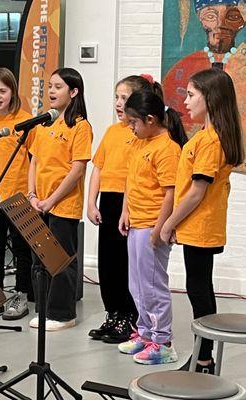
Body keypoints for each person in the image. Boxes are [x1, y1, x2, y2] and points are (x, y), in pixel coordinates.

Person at [161, 68, 244, 373]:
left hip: (200, 226)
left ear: (209, 99)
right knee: (201, 290)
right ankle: (203, 357)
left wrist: (168, 223)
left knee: (199, 293)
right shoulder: (207, 137)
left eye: (192, 95)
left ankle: (204, 359)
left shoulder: (210, 142)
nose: (186, 101)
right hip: (199, 227)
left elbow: (196, 193)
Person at [87, 75, 162, 344]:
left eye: (124, 98)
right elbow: (98, 167)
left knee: (123, 264)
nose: (118, 104)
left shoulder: (139, 134)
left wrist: (126, 209)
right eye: (116, 97)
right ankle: (113, 314)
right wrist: (91, 202)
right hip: (108, 200)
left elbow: (135, 176)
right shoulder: (111, 131)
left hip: (127, 203)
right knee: (106, 262)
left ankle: (129, 317)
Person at [117, 90, 188, 365]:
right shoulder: (139, 144)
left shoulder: (167, 148)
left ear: (150, 119)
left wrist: (160, 230)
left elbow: (171, 193)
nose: (131, 128)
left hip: (152, 228)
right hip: (136, 223)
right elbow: (131, 181)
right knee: (136, 285)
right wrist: (125, 211)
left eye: (133, 123)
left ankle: (162, 341)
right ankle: (145, 332)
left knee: (152, 286)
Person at [27, 68, 93, 331]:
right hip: (39, 203)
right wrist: (32, 195)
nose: (51, 92)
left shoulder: (80, 127)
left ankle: (62, 314)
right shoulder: (44, 125)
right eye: (49, 87)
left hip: (63, 205)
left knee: (61, 260)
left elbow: (77, 170)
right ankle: (43, 309)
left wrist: (51, 200)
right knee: (39, 260)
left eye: (58, 87)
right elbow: (34, 161)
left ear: (73, 91)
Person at [163, 0, 246, 172]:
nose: (221, 25)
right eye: (211, 16)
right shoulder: (182, 69)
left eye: (233, 17)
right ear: (200, 18)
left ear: (243, 22)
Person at [0, 68, 34, 320]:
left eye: (2, 91)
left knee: (22, 248)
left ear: (13, 91)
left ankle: (21, 295)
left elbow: (35, 158)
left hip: (19, 194)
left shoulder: (26, 120)